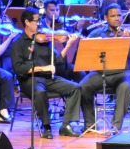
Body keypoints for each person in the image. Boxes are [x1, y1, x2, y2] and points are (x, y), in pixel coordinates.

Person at [10, 8, 83, 139]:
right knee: (39, 92)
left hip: (48, 79)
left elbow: (57, 61)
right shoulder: (17, 43)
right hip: (29, 80)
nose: (40, 24)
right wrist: (43, 69)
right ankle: (46, 126)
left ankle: (66, 125)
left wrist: (68, 45)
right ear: (27, 22)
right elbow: (19, 68)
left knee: (75, 88)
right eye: (37, 21)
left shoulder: (45, 40)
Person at [78, 3, 130, 134]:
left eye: (119, 15)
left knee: (126, 87)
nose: (117, 18)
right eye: (113, 16)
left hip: (124, 73)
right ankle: (90, 124)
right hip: (100, 73)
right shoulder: (96, 33)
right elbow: (85, 53)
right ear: (106, 18)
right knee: (83, 86)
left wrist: (127, 39)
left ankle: (115, 126)